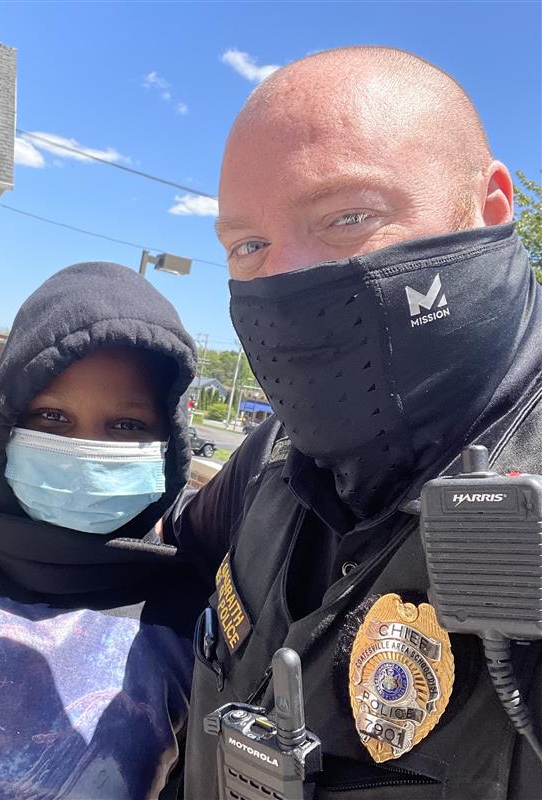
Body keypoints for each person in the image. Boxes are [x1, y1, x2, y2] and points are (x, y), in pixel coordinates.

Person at [161, 48, 542, 798]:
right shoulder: (273, 455)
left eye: (349, 216)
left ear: (491, 208)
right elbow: (161, 563)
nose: (286, 279)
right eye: (248, 245)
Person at [0, 261, 203, 799]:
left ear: (169, 443)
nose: (87, 450)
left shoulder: (192, 611)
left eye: (127, 425)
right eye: (52, 418)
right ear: (5, 421)